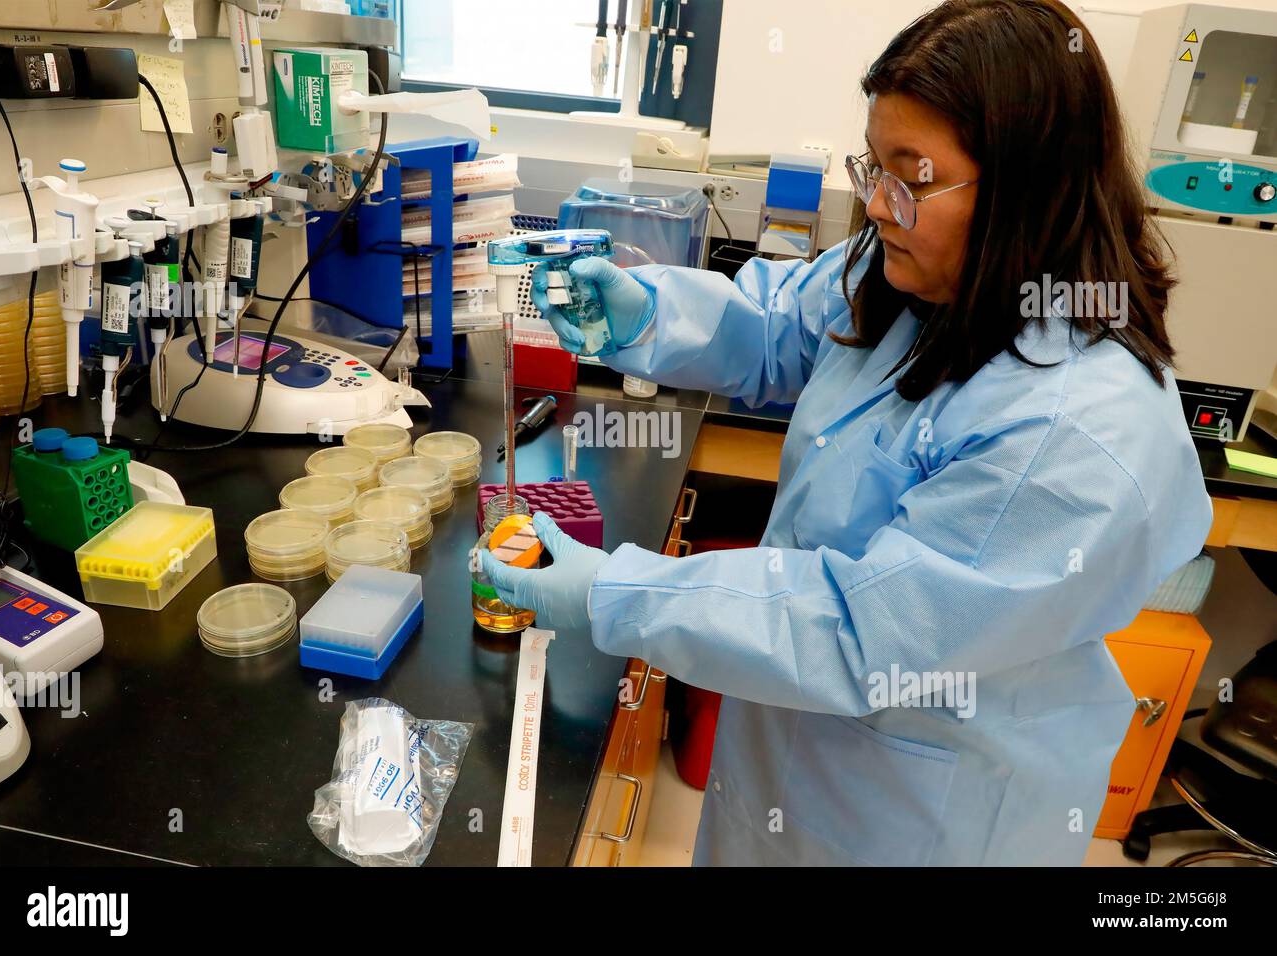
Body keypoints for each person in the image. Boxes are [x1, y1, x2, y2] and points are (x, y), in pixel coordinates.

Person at [482, 0, 1213, 866]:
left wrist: (617, 595)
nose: (876, 202)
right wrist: (650, 314)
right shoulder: (921, 267)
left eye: (914, 174)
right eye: (875, 162)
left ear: (1029, 185)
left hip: (926, 814)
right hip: (795, 753)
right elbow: (783, 323)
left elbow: (858, 630)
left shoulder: (1076, 434)